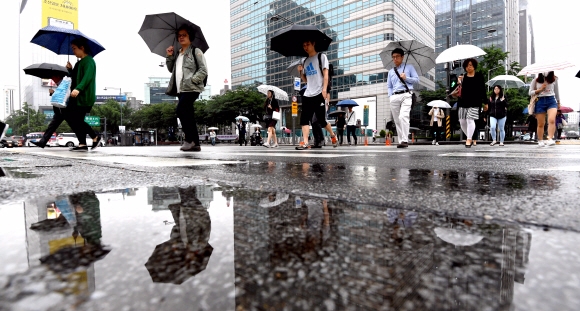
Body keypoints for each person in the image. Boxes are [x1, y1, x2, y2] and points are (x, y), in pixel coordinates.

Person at [165, 25, 208, 152]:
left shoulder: (196, 51)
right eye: (179, 35)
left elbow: (203, 69)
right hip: (180, 89)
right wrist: (169, 56)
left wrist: (193, 80)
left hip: (191, 88)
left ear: (190, 36)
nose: (181, 37)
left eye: (184, 35)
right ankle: (195, 143)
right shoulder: (178, 54)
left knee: (181, 110)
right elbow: (170, 69)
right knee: (187, 114)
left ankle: (189, 140)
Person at [295, 40, 338, 150]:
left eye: (308, 44)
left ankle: (333, 135)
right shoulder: (305, 61)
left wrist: (324, 89)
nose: (305, 47)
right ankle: (305, 142)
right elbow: (306, 80)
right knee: (304, 119)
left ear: (314, 43)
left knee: (322, 121)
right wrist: (300, 72)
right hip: (308, 93)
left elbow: (326, 75)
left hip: (319, 93)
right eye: (304, 45)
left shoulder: (321, 57)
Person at [65, 38, 100, 152]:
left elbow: (87, 77)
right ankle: (82, 143)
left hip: (83, 96)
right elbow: (74, 77)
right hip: (76, 96)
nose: (73, 51)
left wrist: (78, 88)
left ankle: (94, 136)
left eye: (74, 48)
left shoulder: (89, 61)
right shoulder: (79, 63)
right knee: (73, 118)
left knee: (76, 119)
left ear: (82, 48)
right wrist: (70, 70)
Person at [387, 48, 419, 148]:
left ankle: (405, 140)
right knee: (397, 120)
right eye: (393, 57)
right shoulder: (391, 72)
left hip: (406, 94)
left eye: (397, 57)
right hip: (394, 96)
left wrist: (406, 78)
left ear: (402, 57)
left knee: (403, 116)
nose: (395, 59)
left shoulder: (409, 67)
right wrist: (390, 96)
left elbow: (417, 80)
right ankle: (401, 140)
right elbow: (389, 86)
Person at [454, 59, 486, 148]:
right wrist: (459, 82)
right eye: (467, 65)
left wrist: (485, 102)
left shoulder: (479, 76)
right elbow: (456, 91)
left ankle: (468, 139)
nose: (469, 67)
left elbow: (483, 90)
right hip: (463, 102)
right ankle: (470, 137)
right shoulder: (462, 77)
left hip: (475, 102)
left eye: (471, 65)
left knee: (470, 119)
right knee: (462, 122)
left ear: (474, 66)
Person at [30, 73, 68, 148]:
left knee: (77, 124)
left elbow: (63, 96)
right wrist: (52, 93)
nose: (52, 79)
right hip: (58, 112)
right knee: (51, 127)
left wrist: (53, 93)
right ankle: (42, 142)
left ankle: (93, 136)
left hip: (64, 110)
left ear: (58, 76)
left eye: (53, 77)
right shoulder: (59, 84)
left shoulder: (63, 83)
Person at [529, 71, 560, 147]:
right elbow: (530, 92)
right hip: (540, 100)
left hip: (551, 100)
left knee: (552, 120)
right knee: (541, 123)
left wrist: (558, 102)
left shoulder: (554, 79)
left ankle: (550, 139)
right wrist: (540, 89)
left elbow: (556, 92)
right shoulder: (535, 80)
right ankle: (540, 140)